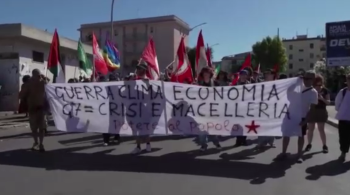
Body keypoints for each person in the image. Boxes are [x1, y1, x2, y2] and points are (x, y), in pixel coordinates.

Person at [279, 70, 318, 163]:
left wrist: (306, 120)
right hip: (290, 115)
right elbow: (285, 92)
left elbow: (312, 109)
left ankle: (299, 155)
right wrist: (295, 81)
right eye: (304, 77)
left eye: (308, 78)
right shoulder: (295, 87)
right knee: (286, 135)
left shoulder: (313, 92)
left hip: (302, 117)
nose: (305, 80)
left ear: (312, 80)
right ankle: (283, 153)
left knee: (301, 136)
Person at [19, 69, 48, 152]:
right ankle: (36, 142)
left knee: (41, 128)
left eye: (39, 75)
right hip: (33, 109)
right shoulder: (28, 84)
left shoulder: (44, 83)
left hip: (41, 109)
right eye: (37, 75)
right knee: (35, 128)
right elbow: (21, 95)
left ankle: (40, 143)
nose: (39, 77)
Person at [197, 67, 221, 150]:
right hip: (202, 112)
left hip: (212, 111)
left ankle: (216, 143)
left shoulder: (216, 83)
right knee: (201, 131)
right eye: (204, 73)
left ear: (210, 74)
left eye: (207, 73)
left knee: (212, 130)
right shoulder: (199, 84)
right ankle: (204, 145)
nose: (205, 74)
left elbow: (222, 95)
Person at [305, 74, 330, 153]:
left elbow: (328, 102)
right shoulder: (310, 90)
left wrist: (322, 99)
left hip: (321, 111)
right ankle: (309, 144)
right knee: (310, 129)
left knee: (321, 129)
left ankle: (324, 145)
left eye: (320, 84)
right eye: (316, 84)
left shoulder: (325, 90)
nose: (318, 86)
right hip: (312, 110)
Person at [131, 62, 152, 154]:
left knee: (145, 128)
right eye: (137, 68)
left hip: (145, 109)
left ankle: (148, 144)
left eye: (139, 69)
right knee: (136, 129)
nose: (137, 70)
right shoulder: (134, 80)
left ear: (144, 70)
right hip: (135, 109)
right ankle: (138, 146)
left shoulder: (148, 81)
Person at [256, 70, 276, 149]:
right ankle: (260, 142)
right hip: (262, 108)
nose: (267, 75)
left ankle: (271, 142)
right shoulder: (261, 84)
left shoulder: (277, 84)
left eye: (269, 74)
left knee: (272, 126)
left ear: (272, 75)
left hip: (272, 108)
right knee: (262, 126)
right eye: (266, 74)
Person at [334, 73, 350, 162]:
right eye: (349, 80)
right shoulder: (343, 92)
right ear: (346, 81)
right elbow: (337, 105)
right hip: (343, 119)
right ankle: (343, 153)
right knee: (343, 138)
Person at [102, 74, 121, 146]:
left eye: (114, 80)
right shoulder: (106, 88)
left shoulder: (119, 88)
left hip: (116, 109)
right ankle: (106, 139)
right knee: (106, 125)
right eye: (112, 80)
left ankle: (116, 136)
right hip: (107, 109)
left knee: (116, 124)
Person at [235, 70, 250, 146]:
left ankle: (244, 140)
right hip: (237, 108)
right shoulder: (235, 84)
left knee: (245, 125)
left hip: (246, 108)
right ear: (240, 75)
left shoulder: (250, 85)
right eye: (242, 75)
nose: (244, 76)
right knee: (238, 125)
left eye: (245, 75)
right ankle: (238, 140)